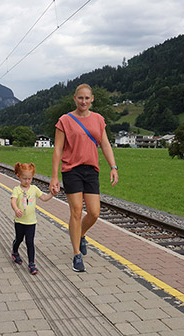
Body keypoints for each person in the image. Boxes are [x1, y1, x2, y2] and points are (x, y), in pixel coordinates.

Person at [49, 83, 119, 272]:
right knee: (76, 211)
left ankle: (80, 234)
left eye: (87, 98)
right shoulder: (65, 120)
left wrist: (113, 166)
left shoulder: (98, 119)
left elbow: (105, 144)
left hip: (91, 170)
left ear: (92, 99)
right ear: (74, 98)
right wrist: (54, 177)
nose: (84, 101)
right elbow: (57, 150)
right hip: (71, 170)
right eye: (80, 98)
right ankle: (76, 255)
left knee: (95, 212)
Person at [10, 162, 54, 275]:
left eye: (29, 178)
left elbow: (44, 198)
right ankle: (15, 251)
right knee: (19, 239)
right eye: (24, 178)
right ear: (18, 176)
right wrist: (16, 209)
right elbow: (13, 201)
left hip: (31, 222)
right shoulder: (17, 189)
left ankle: (31, 263)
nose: (27, 181)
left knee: (30, 242)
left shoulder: (34, 189)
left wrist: (52, 194)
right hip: (20, 221)